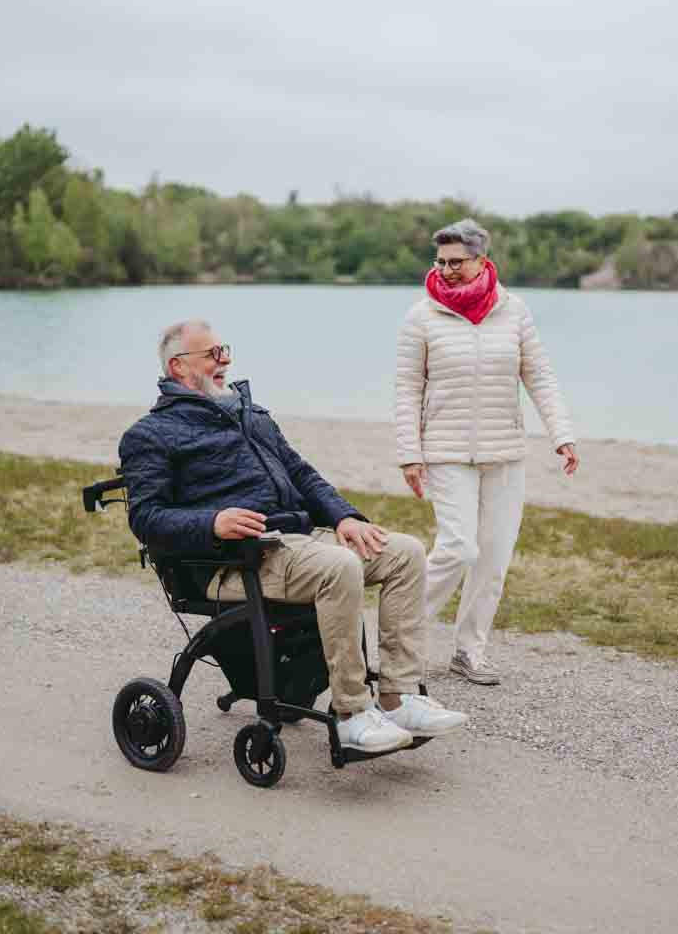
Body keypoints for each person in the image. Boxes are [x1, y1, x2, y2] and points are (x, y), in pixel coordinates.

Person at [119, 319, 468, 754]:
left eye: (223, 349)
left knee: (404, 552)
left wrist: (345, 517)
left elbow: (302, 473)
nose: (224, 359)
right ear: (177, 367)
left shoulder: (250, 414)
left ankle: (399, 698)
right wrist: (212, 522)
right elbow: (148, 517)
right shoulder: (149, 435)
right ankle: (353, 715)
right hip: (232, 561)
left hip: (299, 542)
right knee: (339, 567)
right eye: (211, 353)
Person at [396, 219, 579, 685]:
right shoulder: (422, 315)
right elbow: (406, 389)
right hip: (446, 450)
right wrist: (409, 453)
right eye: (441, 262)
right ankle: (397, 639)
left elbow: (538, 374)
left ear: (481, 260)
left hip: (505, 452)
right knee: (457, 547)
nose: (447, 270)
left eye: (457, 262)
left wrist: (562, 434)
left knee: (493, 558)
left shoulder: (514, 310)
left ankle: (468, 652)